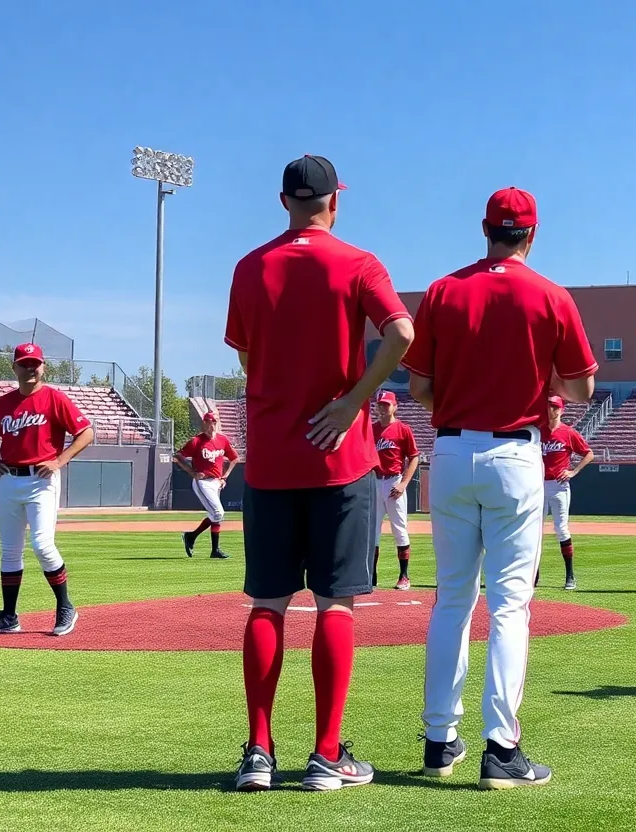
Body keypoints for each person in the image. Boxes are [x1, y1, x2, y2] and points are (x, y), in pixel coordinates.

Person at [224, 154, 413, 791]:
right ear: (336, 200)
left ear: (283, 201)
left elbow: (247, 353)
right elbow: (402, 334)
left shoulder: (250, 267)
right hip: (340, 457)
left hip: (273, 457)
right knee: (336, 604)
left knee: (267, 603)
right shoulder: (359, 262)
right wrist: (354, 401)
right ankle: (327, 754)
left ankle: (258, 752)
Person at [405, 187, 596, 789]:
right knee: (510, 605)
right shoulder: (551, 295)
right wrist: (545, 387)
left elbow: (419, 391)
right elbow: (584, 390)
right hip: (516, 453)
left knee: (452, 601)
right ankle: (501, 750)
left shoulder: (442, 290)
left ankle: (439, 740)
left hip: (453, 451)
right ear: (531, 236)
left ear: (484, 229)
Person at [0, 343, 94, 638]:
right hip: (10, 480)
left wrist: (60, 460)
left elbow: (86, 432)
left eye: (35, 363)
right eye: (25, 363)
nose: (31, 368)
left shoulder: (54, 398)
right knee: (10, 551)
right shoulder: (3, 404)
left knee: (42, 545)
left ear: (43, 367)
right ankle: (9, 617)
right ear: (14, 367)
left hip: (41, 479)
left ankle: (66, 606)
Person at [540, 394, 594, 590]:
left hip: (559, 486)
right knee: (534, 531)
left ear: (562, 410)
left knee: (561, 528)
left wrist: (574, 471)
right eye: (549, 406)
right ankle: (533, 576)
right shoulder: (538, 431)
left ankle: (570, 576)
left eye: (555, 407)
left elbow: (589, 453)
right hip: (538, 486)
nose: (551, 410)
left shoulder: (568, 433)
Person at [371, 389, 420, 590]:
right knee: (371, 532)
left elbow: (414, 457)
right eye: (380, 405)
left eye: (386, 405)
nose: (382, 408)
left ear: (395, 407)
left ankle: (404, 576)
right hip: (375, 482)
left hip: (394, 482)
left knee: (399, 530)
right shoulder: (371, 430)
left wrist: (403, 483)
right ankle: (370, 577)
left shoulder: (402, 429)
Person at [175, 411, 238, 559]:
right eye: (209, 422)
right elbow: (178, 456)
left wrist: (224, 477)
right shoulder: (196, 441)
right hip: (203, 482)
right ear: (204, 423)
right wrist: (192, 472)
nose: (212, 426)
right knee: (218, 513)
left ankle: (211, 548)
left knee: (215, 515)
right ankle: (193, 537)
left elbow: (234, 458)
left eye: (214, 422)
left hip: (216, 482)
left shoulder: (222, 440)